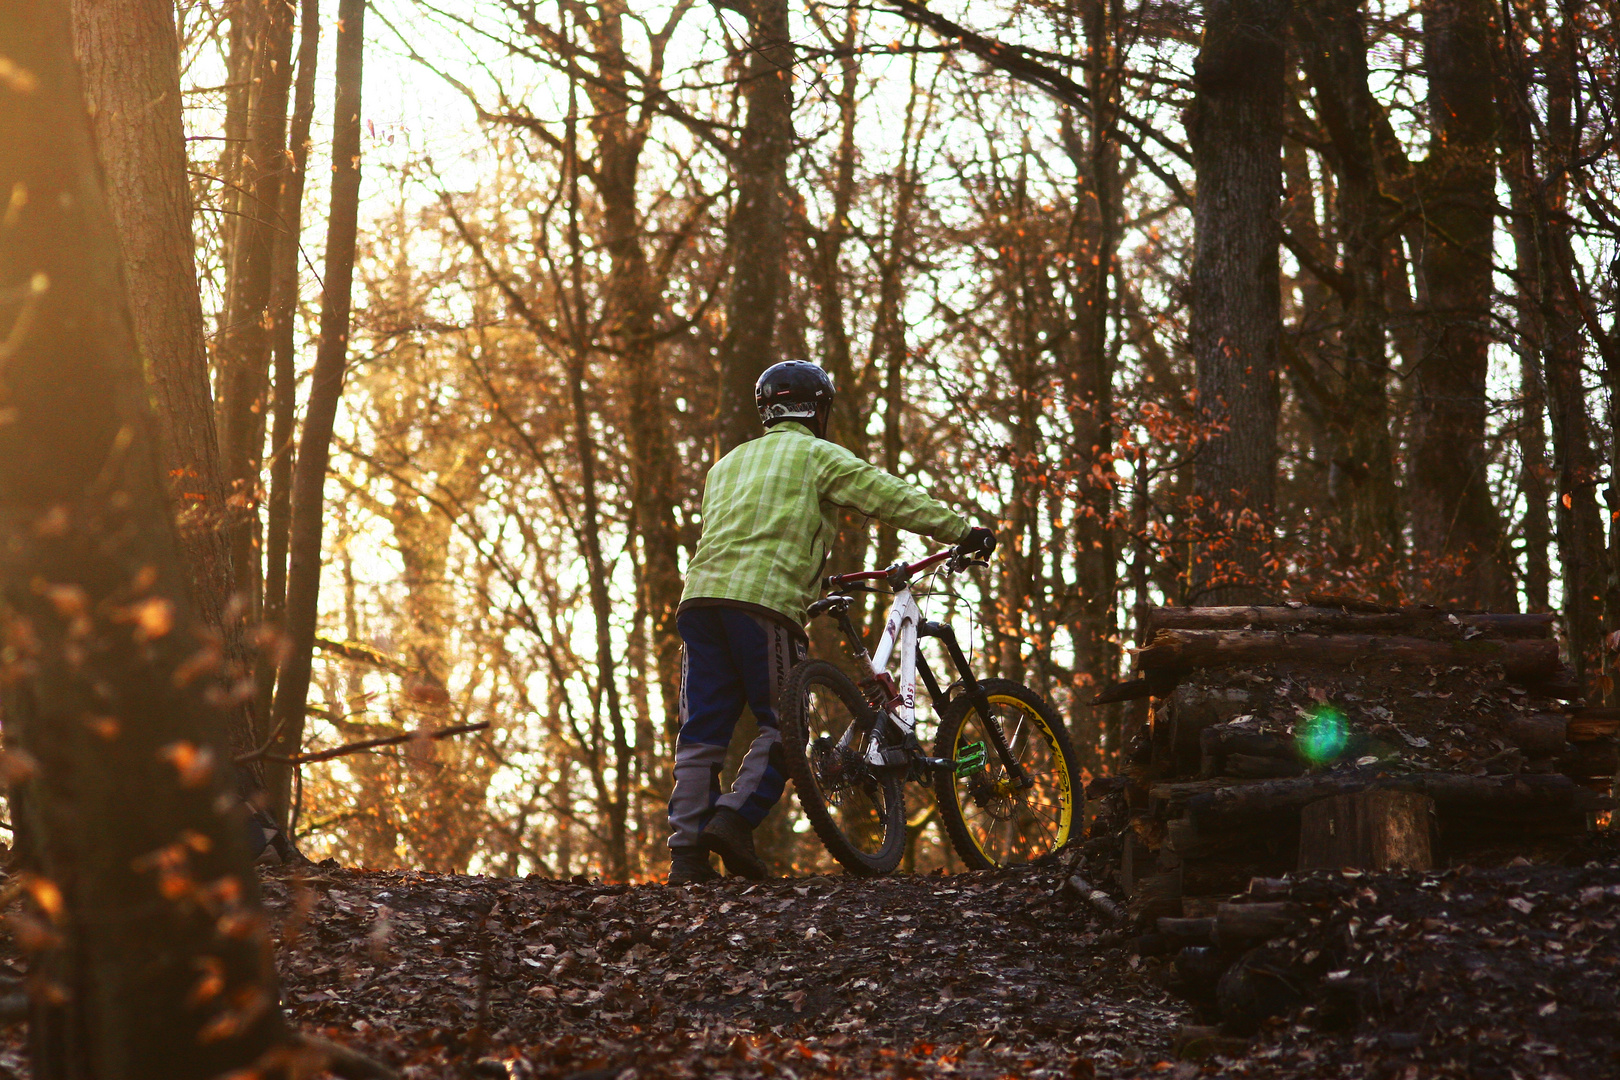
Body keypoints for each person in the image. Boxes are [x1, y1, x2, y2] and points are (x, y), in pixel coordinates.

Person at [667, 361, 995, 884]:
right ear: (818, 409)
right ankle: (732, 820)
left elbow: (746, 529)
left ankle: (686, 857)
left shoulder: (725, 466)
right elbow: (888, 496)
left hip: (700, 602)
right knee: (785, 722)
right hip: (764, 604)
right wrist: (959, 530)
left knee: (702, 731)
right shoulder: (818, 455)